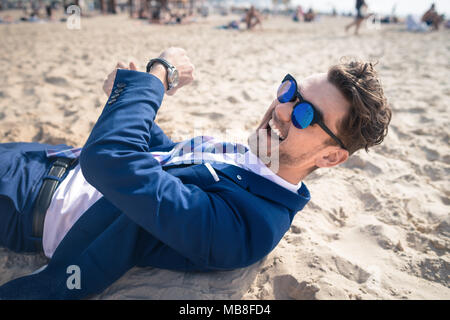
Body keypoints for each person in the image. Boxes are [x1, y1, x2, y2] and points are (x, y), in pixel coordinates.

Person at [0, 48, 391, 299]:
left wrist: (157, 76)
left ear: (331, 158)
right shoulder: (257, 158)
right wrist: (125, 98)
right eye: (291, 91)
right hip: (44, 159)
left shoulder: (246, 227)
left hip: (25, 202)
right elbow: (170, 158)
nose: (284, 109)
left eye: (307, 115)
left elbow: (110, 161)